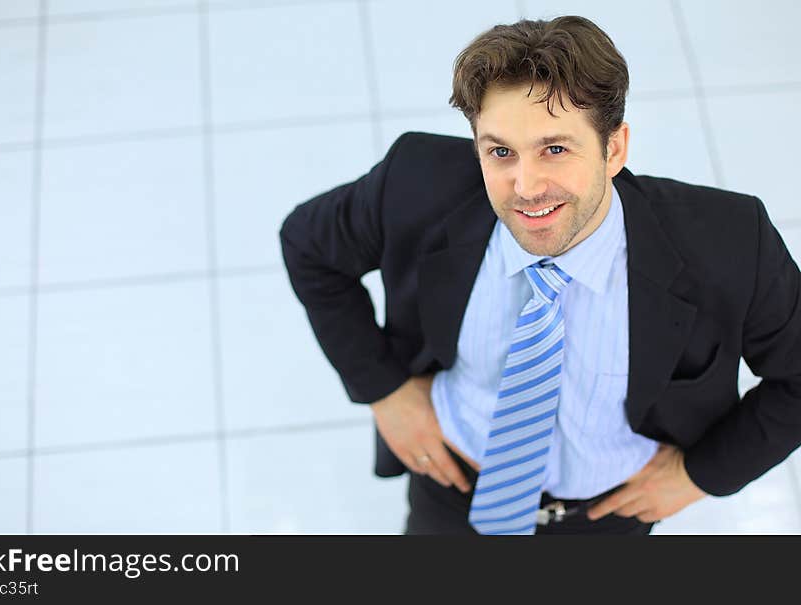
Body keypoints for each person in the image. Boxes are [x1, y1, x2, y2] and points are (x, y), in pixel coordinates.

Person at [279, 16, 801, 534]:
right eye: (500, 151)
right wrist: (384, 391)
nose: (526, 187)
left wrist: (699, 476)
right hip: (453, 485)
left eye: (555, 148)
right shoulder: (416, 181)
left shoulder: (730, 241)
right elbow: (308, 245)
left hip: (608, 513)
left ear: (614, 148)